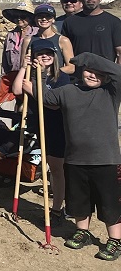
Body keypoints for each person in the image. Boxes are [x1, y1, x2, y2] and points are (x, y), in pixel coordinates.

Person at [39, 52, 121, 260]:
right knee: (78, 201)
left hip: (106, 159)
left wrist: (87, 59)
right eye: (89, 71)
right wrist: (38, 74)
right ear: (81, 72)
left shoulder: (111, 92)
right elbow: (44, 97)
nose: (92, 75)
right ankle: (82, 232)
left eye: (97, 73)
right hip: (75, 158)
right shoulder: (67, 91)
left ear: (105, 76)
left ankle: (114, 241)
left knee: (109, 203)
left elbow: (118, 72)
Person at [12, 38, 68, 219]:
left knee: (57, 168)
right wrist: (23, 67)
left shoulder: (62, 77)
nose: (45, 56)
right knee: (49, 166)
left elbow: (54, 103)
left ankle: (58, 208)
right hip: (40, 125)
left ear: (55, 55)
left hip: (58, 127)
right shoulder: (31, 74)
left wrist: (33, 89)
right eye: (40, 53)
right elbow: (17, 90)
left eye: (49, 53)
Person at [60, 0, 121, 64]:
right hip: (77, 74)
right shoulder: (70, 22)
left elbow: (119, 52)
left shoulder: (114, 22)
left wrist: (117, 74)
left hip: (104, 74)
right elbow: (65, 51)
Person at [21, 3, 74, 74]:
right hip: (34, 82)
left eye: (48, 16)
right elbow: (22, 65)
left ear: (53, 20)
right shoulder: (28, 40)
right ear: (35, 19)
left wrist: (49, 73)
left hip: (56, 82)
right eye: (40, 16)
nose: (44, 19)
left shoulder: (62, 40)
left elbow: (71, 68)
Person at [0, 0, 37, 74]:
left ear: (30, 18)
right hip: (12, 76)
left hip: (31, 76)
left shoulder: (36, 33)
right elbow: (5, 62)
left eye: (23, 16)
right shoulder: (10, 35)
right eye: (17, 16)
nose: (19, 19)